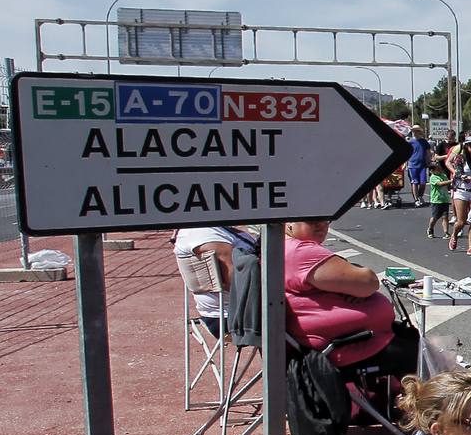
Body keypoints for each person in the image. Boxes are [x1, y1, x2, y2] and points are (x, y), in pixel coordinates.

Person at [284, 220, 418, 371]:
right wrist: (355, 283)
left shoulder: (286, 247)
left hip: (357, 339)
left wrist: (348, 284)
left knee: (418, 345)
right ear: (289, 222)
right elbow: (369, 281)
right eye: (312, 220)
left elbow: (355, 279)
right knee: (429, 361)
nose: (321, 224)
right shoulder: (300, 251)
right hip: (348, 347)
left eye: (326, 219)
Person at [172, 224, 257, 335]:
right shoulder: (203, 233)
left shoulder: (216, 229)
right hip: (235, 317)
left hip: (244, 309)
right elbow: (235, 281)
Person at [424, 158, 452, 239]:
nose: (439, 169)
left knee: (445, 216)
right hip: (436, 200)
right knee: (435, 217)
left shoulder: (443, 175)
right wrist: (451, 181)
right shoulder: (433, 177)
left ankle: (446, 232)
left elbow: (447, 185)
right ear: (432, 171)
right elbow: (440, 184)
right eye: (437, 169)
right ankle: (430, 228)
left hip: (445, 199)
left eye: (439, 168)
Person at [405, 126, 431, 206]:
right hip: (412, 165)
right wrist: (406, 164)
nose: (415, 132)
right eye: (414, 131)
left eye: (417, 131)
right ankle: (416, 199)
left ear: (420, 132)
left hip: (422, 165)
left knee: (423, 183)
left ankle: (420, 196)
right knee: (415, 182)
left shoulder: (424, 142)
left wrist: (428, 161)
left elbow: (428, 152)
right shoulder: (410, 142)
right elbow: (406, 154)